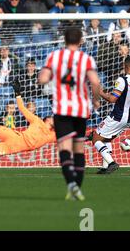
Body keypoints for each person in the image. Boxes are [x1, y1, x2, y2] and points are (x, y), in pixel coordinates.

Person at [38, 27, 101, 201]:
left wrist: (48, 76)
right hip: (81, 109)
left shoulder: (55, 57)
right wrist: (96, 100)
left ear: (64, 40)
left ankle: (71, 184)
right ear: (80, 40)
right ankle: (76, 188)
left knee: (65, 148)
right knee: (79, 149)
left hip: (62, 109)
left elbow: (42, 79)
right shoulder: (86, 59)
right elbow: (95, 82)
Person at [92, 55, 130, 174]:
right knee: (106, 138)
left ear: (124, 65)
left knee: (96, 138)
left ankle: (111, 163)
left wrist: (100, 92)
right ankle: (106, 167)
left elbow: (112, 99)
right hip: (129, 118)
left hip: (117, 116)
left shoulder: (122, 80)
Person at [0, 81, 56, 157]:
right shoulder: (37, 120)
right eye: (53, 118)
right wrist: (18, 93)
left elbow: (67, 135)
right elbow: (22, 108)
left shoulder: (52, 135)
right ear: (48, 119)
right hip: (15, 136)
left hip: (13, 148)